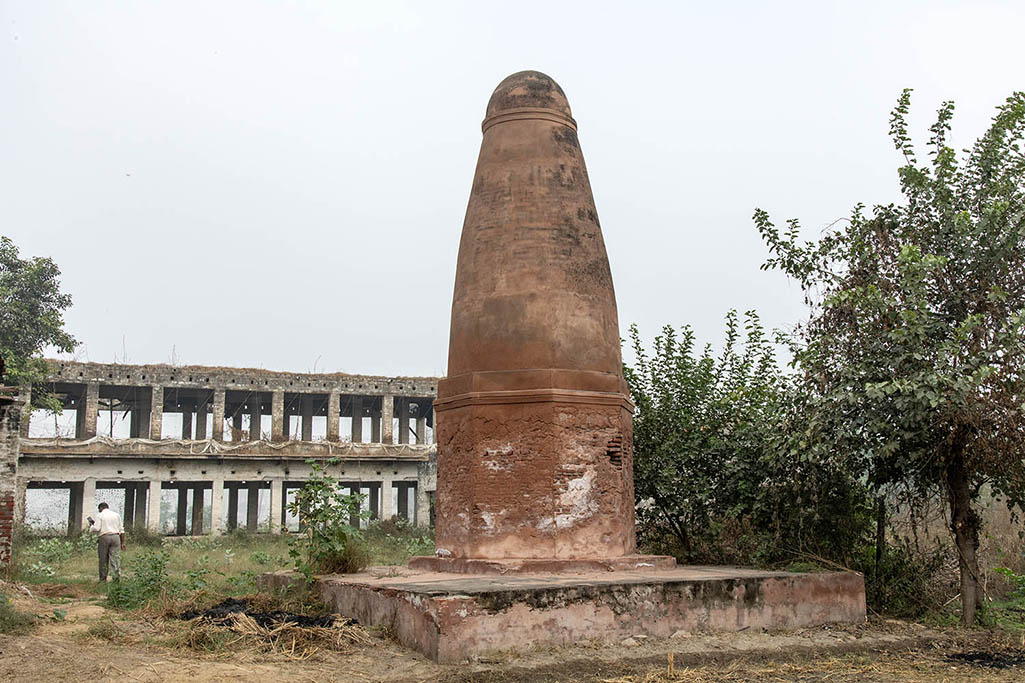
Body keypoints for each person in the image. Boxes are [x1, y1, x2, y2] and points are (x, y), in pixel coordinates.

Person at [86, 502, 125, 582]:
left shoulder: (100, 515)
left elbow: (97, 528)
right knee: (115, 559)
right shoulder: (116, 515)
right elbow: (121, 530)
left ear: (101, 508)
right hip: (116, 537)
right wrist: (123, 543)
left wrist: (91, 527)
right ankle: (116, 578)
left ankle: (103, 579)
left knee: (103, 559)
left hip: (104, 537)